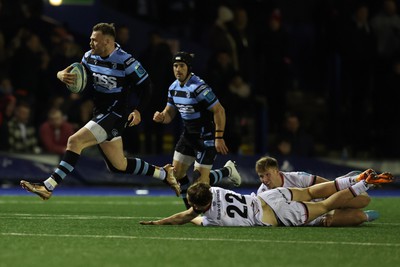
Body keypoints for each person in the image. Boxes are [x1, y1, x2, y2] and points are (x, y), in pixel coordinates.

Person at [20, 22, 180, 200]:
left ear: (107, 42)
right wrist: (61, 74)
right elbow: (78, 75)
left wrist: (138, 110)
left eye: (94, 40)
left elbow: (147, 87)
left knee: (74, 141)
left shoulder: (126, 61)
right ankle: (164, 174)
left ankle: (48, 186)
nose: (90, 43)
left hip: (117, 113)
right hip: (100, 113)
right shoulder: (89, 57)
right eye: (90, 39)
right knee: (118, 165)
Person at [140, 169, 394, 227]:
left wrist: (159, 222)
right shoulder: (214, 190)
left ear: (199, 206)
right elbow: (196, 202)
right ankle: (357, 179)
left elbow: (187, 217)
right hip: (267, 198)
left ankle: (364, 187)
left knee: (327, 205)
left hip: (274, 216)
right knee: (318, 191)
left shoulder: (211, 218)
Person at [153, 51, 233, 208]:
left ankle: (227, 171)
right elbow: (169, 114)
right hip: (188, 136)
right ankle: (189, 209)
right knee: (176, 175)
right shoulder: (173, 87)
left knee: (200, 183)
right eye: (175, 66)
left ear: (188, 68)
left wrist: (219, 137)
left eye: (181, 66)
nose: (178, 69)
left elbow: (219, 110)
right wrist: (161, 117)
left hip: (205, 137)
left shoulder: (199, 87)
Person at [255, 156, 376, 226]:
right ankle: (366, 214)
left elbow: (328, 186)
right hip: (312, 215)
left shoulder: (297, 177)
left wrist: (331, 212)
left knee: (364, 200)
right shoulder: (261, 193)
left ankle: (348, 181)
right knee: (359, 217)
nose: (264, 180)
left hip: (325, 200)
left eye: (267, 174)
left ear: (276, 171)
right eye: (261, 176)